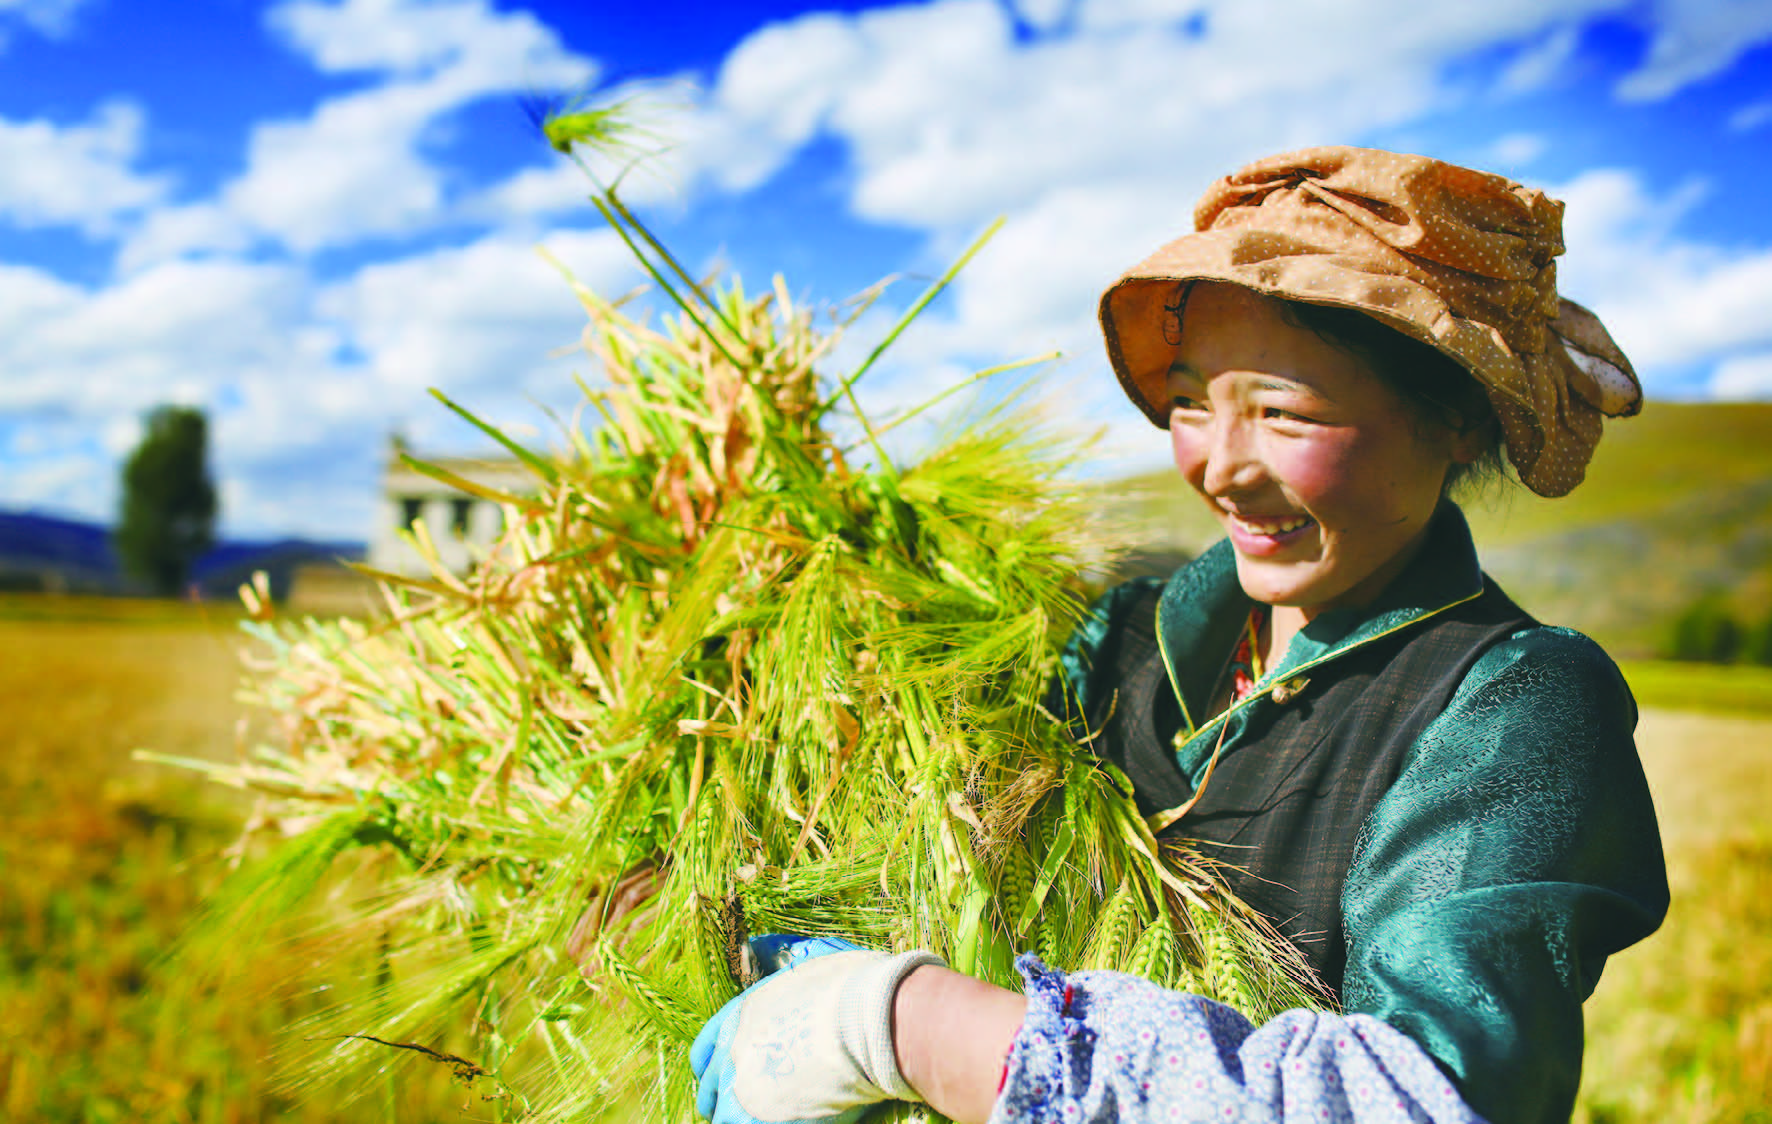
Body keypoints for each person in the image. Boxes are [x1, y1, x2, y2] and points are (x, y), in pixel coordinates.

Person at [689, 146, 1669, 1124]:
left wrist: (908, 1028)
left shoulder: (1510, 702)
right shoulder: (1117, 628)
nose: (1217, 469)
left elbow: (1423, 1098)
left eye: (1283, 412)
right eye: (1191, 401)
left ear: (1455, 416)